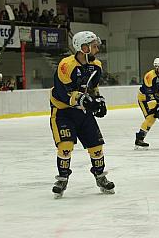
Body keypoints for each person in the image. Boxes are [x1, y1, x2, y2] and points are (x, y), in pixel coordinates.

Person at [49, 31, 114, 198]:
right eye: (94, 46)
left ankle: (100, 177)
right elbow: (64, 93)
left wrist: (98, 100)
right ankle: (62, 178)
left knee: (96, 146)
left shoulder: (96, 66)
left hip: (83, 112)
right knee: (65, 146)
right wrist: (84, 100)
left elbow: (92, 87)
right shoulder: (66, 65)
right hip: (63, 112)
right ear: (83, 48)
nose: (97, 50)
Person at [134, 57, 159, 149]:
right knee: (150, 118)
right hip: (144, 99)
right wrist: (153, 106)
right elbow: (149, 92)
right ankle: (139, 139)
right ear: (156, 67)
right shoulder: (149, 76)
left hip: (158, 100)